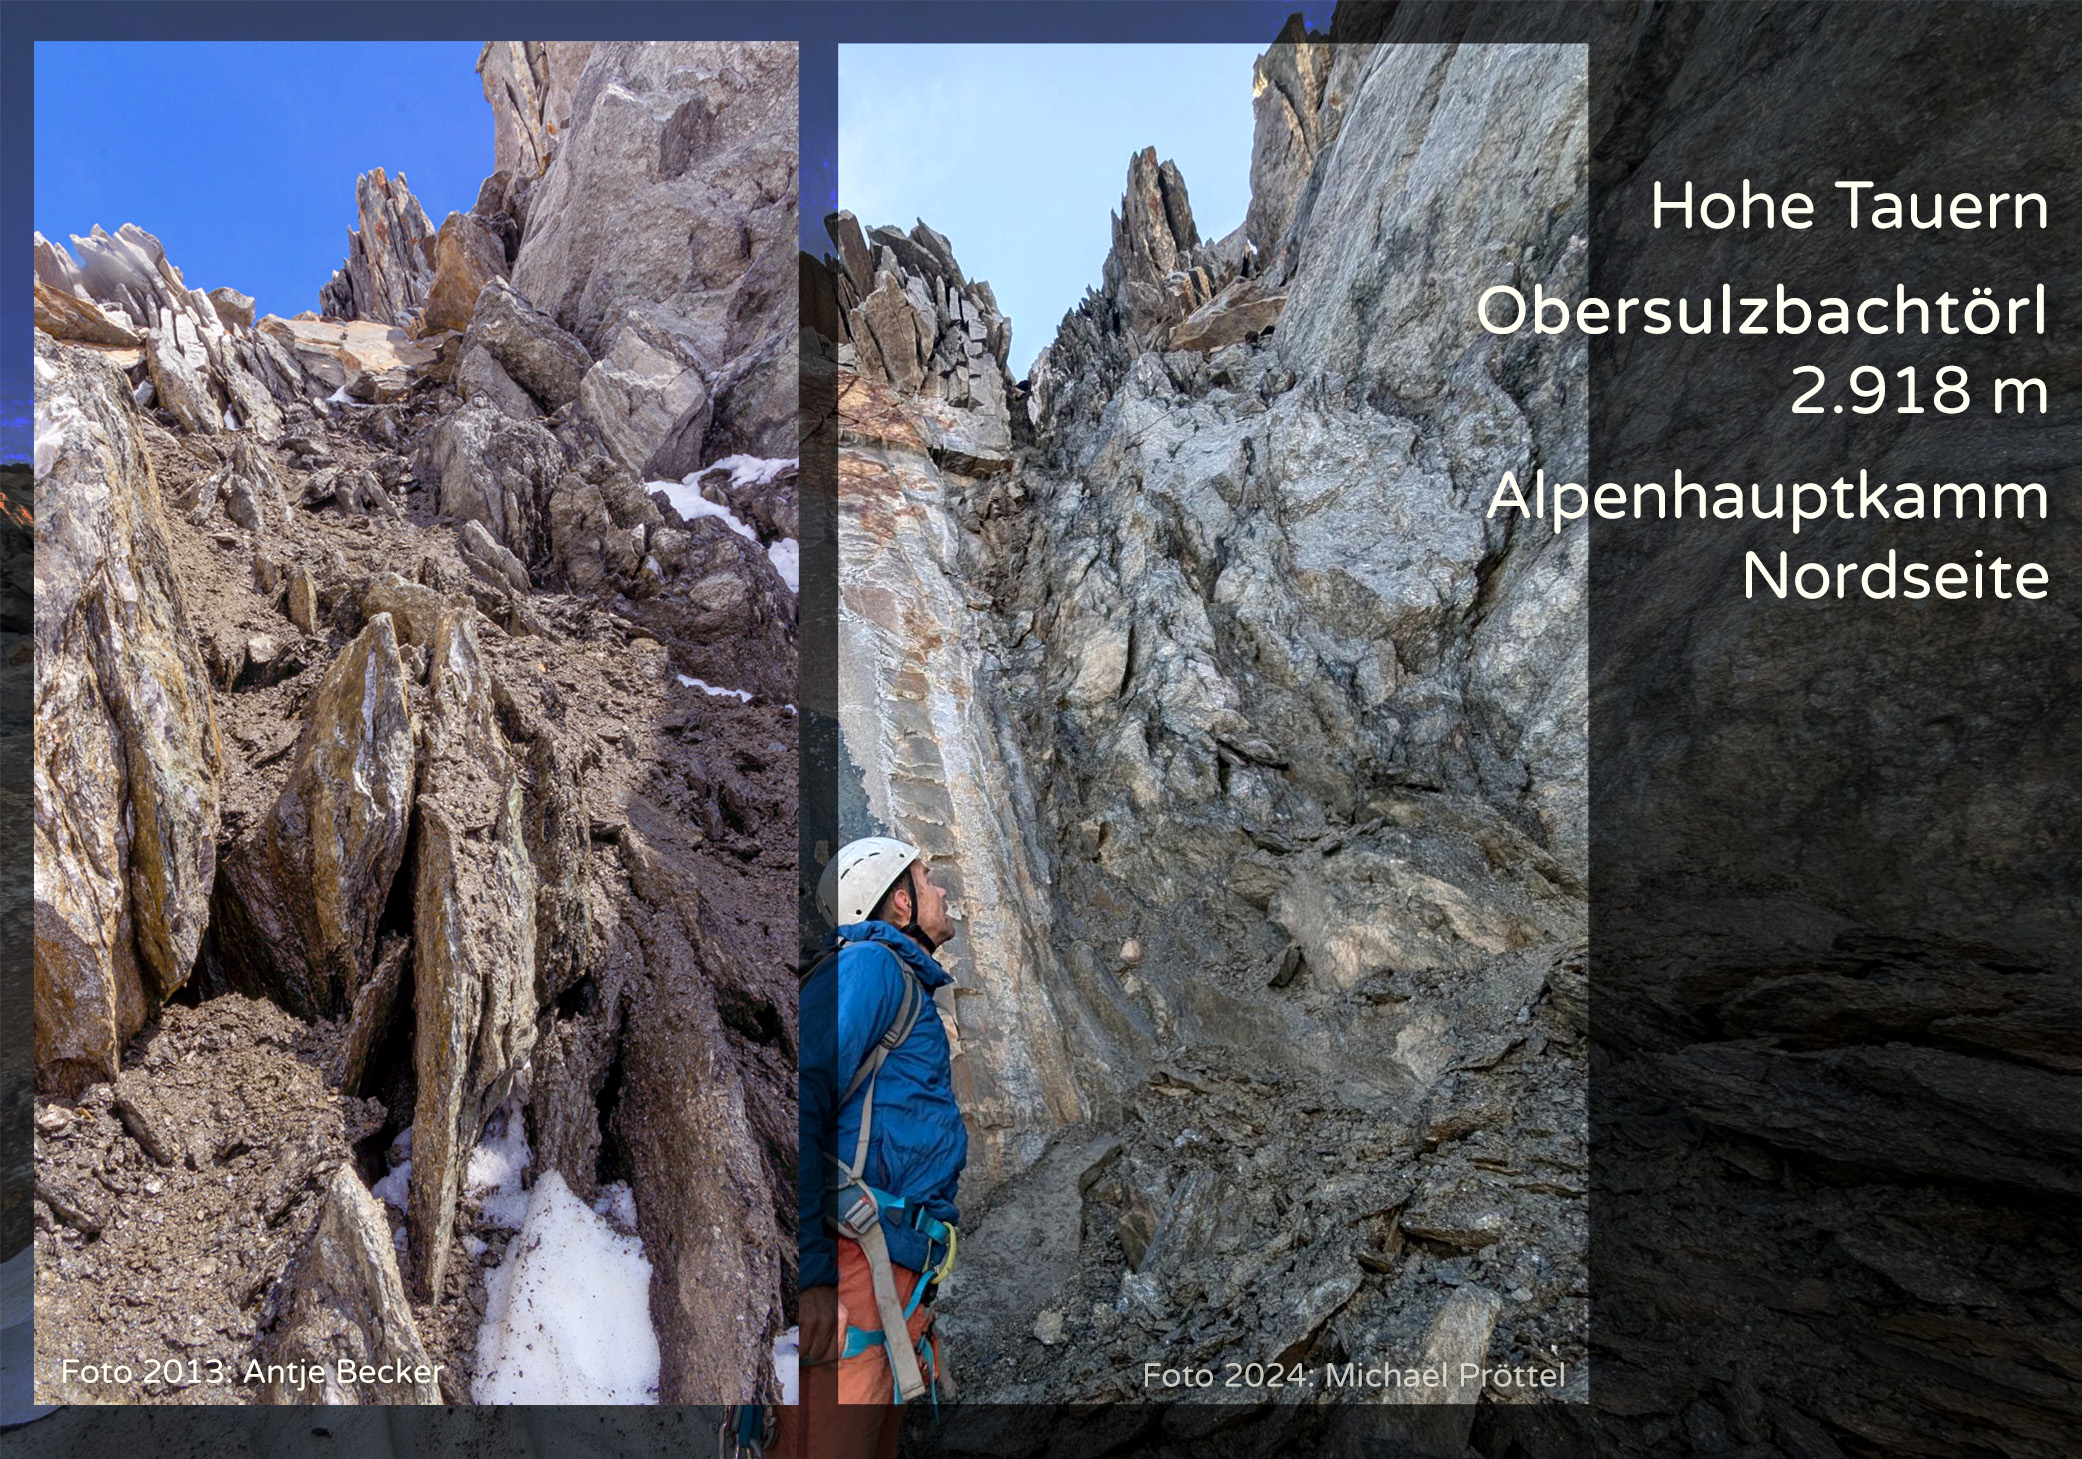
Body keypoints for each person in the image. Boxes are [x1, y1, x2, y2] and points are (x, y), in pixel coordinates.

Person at [775, 836, 966, 1459]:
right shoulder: (871, 968)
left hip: (884, 1273)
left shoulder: (897, 982)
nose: (941, 889)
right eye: (926, 878)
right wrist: (816, 1275)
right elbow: (804, 1092)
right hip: (855, 1268)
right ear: (901, 906)